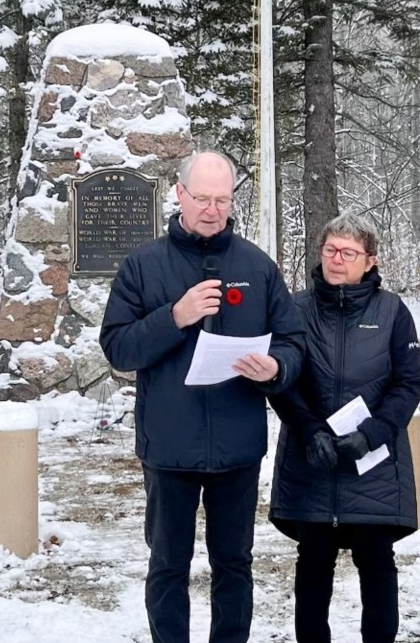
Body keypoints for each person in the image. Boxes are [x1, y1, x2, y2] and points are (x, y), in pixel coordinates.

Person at [99, 151, 305, 643]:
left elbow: (293, 341)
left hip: (237, 448)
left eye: (223, 200)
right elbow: (118, 348)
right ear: (180, 193)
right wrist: (175, 317)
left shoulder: (256, 265)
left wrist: (276, 367)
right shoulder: (143, 265)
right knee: (169, 565)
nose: (213, 210)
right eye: (202, 199)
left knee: (234, 565)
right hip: (169, 448)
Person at [268, 213, 420, 643]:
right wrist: (309, 430)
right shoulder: (295, 309)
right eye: (330, 250)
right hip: (312, 460)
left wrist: (375, 432)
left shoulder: (392, 311)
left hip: (372, 465)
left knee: (377, 565)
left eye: (349, 252)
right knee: (312, 567)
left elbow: (408, 383)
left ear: (370, 261)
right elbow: (282, 382)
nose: (337, 259)